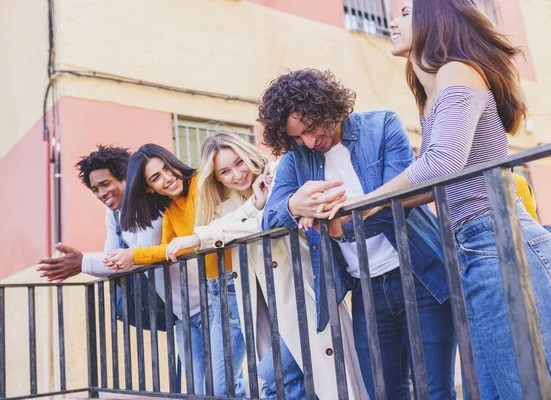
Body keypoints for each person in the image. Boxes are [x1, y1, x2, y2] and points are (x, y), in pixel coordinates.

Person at [334, 0, 551, 397]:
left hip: (499, 242)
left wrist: (365, 203)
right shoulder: (435, 90)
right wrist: (355, 215)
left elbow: (443, 162)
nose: (391, 20)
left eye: (403, 11)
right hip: (474, 249)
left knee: (520, 389)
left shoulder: (457, 71)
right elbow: (433, 182)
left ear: (435, 15)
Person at [260, 69, 456, 399]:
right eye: (296, 138)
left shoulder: (382, 126)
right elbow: (269, 219)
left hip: (421, 273)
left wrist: (334, 225)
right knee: (383, 391)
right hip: (366, 287)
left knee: (433, 390)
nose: (309, 142)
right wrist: (297, 204)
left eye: (310, 129)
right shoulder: (298, 160)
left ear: (326, 106)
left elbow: (400, 202)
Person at [167, 131, 368, 399]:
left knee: (275, 377)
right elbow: (227, 225)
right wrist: (255, 203)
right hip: (275, 308)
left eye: (239, 162)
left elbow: (259, 224)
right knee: (294, 383)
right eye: (225, 172)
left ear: (248, 152)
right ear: (217, 178)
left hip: (306, 293)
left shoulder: (278, 174)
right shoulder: (228, 207)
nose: (237, 175)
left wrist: (201, 235)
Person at [103, 143, 235, 395]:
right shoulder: (171, 208)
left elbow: (189, 244)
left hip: (230, 288)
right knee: (202, 389)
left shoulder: (201, 183)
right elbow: (168, 249)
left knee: (222, 386)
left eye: (167, 168)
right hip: (207, 296)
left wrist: (134, 255)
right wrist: (132, 255)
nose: (168, 178)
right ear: (148, 189)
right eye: (156, 177)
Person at [36, 145, 173, 331]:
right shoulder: (114, 214)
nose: (101, 194)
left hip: (194, 302)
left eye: (106, 184)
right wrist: (82, 263)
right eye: (95, 189)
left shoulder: (150, 204)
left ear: (126, 178)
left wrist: (83, 263)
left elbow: (142, 255)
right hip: (176, 307)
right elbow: (110, 260)